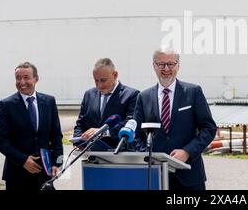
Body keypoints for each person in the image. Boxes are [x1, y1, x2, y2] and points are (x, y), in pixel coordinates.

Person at [134, 48, 217, 190]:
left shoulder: (193, 92)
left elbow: (209, 129)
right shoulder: (144, 97)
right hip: (154, 175)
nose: (166, 68)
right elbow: (136, 136)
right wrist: (148, 156)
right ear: (154, 65)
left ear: (178, 65)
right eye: (161, 64)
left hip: (189, 175)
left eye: (171, 64)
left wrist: (188, 151)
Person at [0, 62, 63, 190]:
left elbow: (56, 135)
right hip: (17, 174)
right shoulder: (6, 105)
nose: (22, 81)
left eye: (26, 77)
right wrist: (23, 160)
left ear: (36, 79)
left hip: (44, 173)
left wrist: (57, 162)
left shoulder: (49, 101)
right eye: (18, 78)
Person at [73, 58, 139, 150]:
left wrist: (102, 132)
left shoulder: (132, 95)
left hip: (119, 153)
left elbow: (130, 123)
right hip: (91, 155)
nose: (99, 85)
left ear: (115, 75)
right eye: (96, 80)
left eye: (103, 80)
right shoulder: (89, 95)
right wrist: (78, 141)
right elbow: (80, 123)